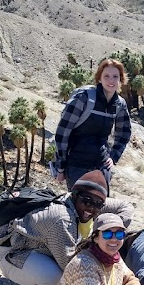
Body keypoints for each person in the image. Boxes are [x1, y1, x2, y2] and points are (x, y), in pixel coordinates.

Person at [0, 171, 134, 285]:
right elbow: (71, 266)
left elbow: (125, 206)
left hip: (39, 247)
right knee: (55, 278)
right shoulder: (61, 219)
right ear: (74, 195)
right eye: (87, 202)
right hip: (13, 253)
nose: (91, 209)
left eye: (98, 204)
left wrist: (110, 227)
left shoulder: (87, 203)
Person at [53, 58, 132, 190]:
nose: (111, 80)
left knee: (99, 206)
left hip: (101, 166)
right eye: (106, 76)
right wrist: (60, 167)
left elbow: (124, 133)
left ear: (121, 80)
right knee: (79, 206)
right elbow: (63, 132)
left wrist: (113, 157)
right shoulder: (84, 98)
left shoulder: (119, 104)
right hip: (76, 164)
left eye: (115, 76)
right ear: (99, 78)